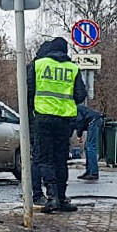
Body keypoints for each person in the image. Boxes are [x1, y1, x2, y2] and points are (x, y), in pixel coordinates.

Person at [26, 38, 87, 214]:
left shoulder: (38, 64)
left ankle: (51, 197)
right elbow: (80, 95)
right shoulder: (72, 68)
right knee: (61, 160)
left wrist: (32, 114)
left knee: (45, 159)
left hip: (43, 118)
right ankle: (61, 197)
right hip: (64, 119)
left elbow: (28, 91)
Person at [74, 104, 104, 181]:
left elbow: (79, 121)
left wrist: (79, 135)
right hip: (95, 120)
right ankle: (89, 171)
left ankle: (93, 173)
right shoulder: (76, 107)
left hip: (93, 121)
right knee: (88, 147)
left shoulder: (74, 108)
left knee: (91, 147)